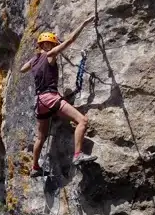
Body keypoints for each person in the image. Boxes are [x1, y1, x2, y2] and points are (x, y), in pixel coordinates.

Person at [19, 16, 97, 178]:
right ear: (48, 45)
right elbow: (70, 41)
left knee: (41, 137)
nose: (54, 46)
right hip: (51, 98)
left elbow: (21, 69)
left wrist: (36, 56)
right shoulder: (51, 54)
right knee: (82, 121)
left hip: (39, 102)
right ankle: (77, 155)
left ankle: (35, 167)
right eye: (52, 44)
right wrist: (84, 22)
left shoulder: (34, 61)